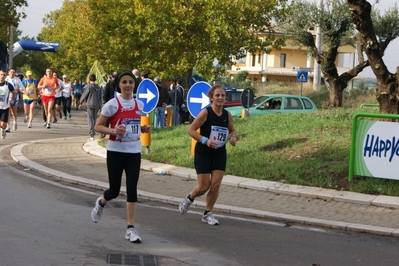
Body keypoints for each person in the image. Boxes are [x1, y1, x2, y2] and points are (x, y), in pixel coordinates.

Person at [91, 70, 151, 243]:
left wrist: (142, 129)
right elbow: (98, 126)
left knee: (132, 189)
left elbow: (133, 127)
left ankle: (130, 229)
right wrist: (113, 130)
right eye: (124, 82)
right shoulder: (112, 104)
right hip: (115, 151)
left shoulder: (139, 104)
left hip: (133, 151)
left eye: (130, 82)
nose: (127, 85)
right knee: (114, 191)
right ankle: (101, 202)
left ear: (134, 85)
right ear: (119, 85)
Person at [178, 84, 237, 225]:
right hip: (204, 152)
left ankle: (207, 213)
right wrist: (205, 140)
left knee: (215, 184)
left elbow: (232, 130)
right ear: (211, 98)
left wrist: (233, 137)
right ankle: (190, 197)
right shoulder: (206, 113)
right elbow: (191, 130)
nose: (220, 98)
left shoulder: (227, 115)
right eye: (217, 95)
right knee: (203, 186)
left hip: (219, 152)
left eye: (222, 95)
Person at [78, 73, 102, 141]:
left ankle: (91, 135)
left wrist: (80, 103)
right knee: (94, 119)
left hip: (90, 104)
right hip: (97, 104)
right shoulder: (98, 87)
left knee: (90, 120)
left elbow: (84, 95)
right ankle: (93, 133)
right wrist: (100, 107)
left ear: (89, 79)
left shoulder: (89, 86)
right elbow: (100, 97)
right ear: (95, 79)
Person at [5, 67, 25, 132]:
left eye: (14, 72)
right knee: (7, 112)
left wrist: (17, 89)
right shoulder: (6, 78)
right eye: (11, 72)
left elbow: (22, 88)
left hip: (14, 98)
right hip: (7, 98)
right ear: (8, 72)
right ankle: (7, 126)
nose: (12, 73)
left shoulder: (17, 80)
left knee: (14, 112)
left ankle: (15, 121)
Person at [0, 69, 16, 139]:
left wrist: (12, 99)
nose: (2, 76)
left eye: (4, 75)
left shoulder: (8, 85)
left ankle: (3, 130)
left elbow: (14, 92)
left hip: (5, 107)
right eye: (1, 74)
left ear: (6, 76)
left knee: (3, 125)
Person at [101, 71, 118, 138]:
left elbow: (105, 94)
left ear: (112, 76)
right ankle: (115, 132)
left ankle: (104, 133)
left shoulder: (109, 84)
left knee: (107, 118)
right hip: (117, 103)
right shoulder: (119, 84)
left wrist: (104, 101)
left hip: (109, 103)